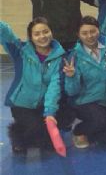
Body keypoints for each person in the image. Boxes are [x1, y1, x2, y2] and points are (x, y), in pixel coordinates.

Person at [1, 17, 65, 154]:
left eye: (45, 31)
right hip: (21, 104)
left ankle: (31, 130)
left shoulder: (60, 58)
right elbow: (6, 33)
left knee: (47, 142)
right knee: (36, 132)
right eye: (37, 34)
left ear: (51, 32)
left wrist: (49, 112)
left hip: (42, 104)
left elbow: (54, 88)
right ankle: (17, 134)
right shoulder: (20, 51)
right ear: (31, 37)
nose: (42, 36)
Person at [63, 16, 106, 148]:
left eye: (93, 31)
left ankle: (96, 128)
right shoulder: (74, 56)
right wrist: (71, 76)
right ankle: (78, 130)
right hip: (85, 101)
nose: (89, 36)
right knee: (101, 121)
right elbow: (71, 91)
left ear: (99, 30)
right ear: (78, 35)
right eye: (84, 33)